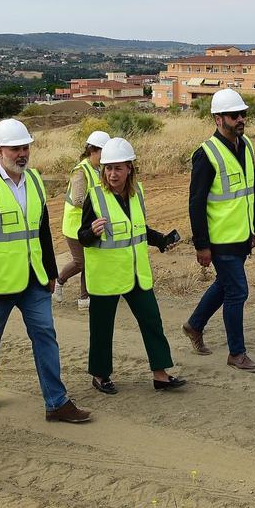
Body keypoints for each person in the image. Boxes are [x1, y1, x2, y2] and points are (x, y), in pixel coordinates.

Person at [0, 118, 91, 423]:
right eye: (15, 148)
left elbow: (41, 231)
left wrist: (51, 272)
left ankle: (56, 402)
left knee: (45, 334)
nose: (22, 153)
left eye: (25, 147)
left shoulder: (33, 181)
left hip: (34, 279)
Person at [77, 137, 186, 394]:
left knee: (152, 321)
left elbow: (138, 229)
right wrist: (91, 232)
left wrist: (160, 241)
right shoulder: (95, 197)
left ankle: (160, 374)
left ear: (130, 169)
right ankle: (100, 375)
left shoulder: (138, 194)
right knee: (102, 328)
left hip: (137, 274)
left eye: (118, 168)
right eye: (108, 168)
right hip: (106, 276)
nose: (112, 174)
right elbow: (83, 236)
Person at [182, 88, 255, 372]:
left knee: (225, 286)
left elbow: (251, 190)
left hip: (241, 236)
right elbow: (196, 204)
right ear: (218, 119)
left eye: (243, 114)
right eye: (233, 115)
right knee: (238, 292)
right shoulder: (206, 155)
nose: (240, 119)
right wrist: (201, 245)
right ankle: (236, 353)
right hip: (220, 240)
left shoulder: (247, 145)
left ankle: (194, 325)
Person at [56, 129, 110, 309]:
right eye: (103, 152)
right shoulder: (81, 170)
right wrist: (99, 208)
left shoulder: (99, 169)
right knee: (80, 262)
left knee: (90, 260)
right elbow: (79, 199)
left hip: (91, 225)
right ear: (93, 150)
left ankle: (84, 297)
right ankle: (59, 281)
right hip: (74, 225)